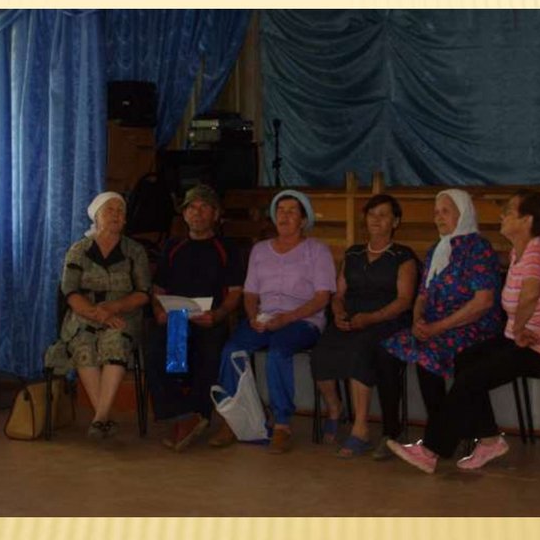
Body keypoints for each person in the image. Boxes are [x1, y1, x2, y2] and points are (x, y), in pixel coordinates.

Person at [388, 190, 540, 473]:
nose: (502, 215)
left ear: (527, 220)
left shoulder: (537, 250)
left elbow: (530, 294)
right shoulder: (520, 251)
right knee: (465, 360)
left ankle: (431, 450)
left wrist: (519, 330)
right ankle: (489, 440)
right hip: (521, 338)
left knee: (471, 377)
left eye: (509, 211)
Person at [378, 189, 503, 460]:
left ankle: (436, 441)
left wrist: (438, 327)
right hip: (435, 325)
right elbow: (422, 295)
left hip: (472, 327)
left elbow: (482, 302)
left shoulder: (478, 248)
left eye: (445, 211)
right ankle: (391, 431)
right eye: (436, 213)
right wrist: (418, 320)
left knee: (428, 353)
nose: (438, 218)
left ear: (463, 213)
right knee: (388, 350)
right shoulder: (437, 249)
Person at [208, 189, 336, 454]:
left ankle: (282, 423)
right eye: (280, 210)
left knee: (278, 350)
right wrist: (253, 316)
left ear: (303, 220)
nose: (284, 216)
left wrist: (288, 317)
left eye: (291, 211)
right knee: (232, 350)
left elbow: (322, 297)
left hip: (303, 319)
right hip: (265, 318)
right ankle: (234, 420)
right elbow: (250, 293)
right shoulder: (260, 250)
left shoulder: (317, 250)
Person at [310, 194, 418, 457]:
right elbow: (339, 294)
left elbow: (404, 301)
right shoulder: (353, 253)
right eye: (372, 214)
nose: (376, 220)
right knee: (322, 350)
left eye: (383, 215)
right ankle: (335, 408)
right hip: (352, 317)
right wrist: (338, 313)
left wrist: (370, 318)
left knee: (360, 349)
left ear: (395, 221)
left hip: (387, 320)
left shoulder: (403, 256)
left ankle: (361, 430)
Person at [146, 185, 245, 452]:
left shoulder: (226, 248)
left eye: (204, 207)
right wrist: (158, 311)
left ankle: (198, 413)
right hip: (177, 318)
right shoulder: (173, 246)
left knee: (209, 350)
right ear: (184, 214)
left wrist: (219, 314)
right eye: (191, 207)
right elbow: (158, 289)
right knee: (156, 349)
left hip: (210, 318)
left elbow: (235, 293)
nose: (197, 213)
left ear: (216, 214)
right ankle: (182, 414)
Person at [45, 191, 151, 439]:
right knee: (83, 344)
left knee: (115, 341)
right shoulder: (79, 250)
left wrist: (114, 308)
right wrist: (98, 314)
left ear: (125, 219)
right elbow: (70, 292)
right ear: (96, 217)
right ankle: (103, 417)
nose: (116, 215)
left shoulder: (135, 251)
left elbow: (144, 293)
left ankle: (100, 417)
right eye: (109, 210)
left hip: (123, 314)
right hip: (84, 314)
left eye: (120, 211)